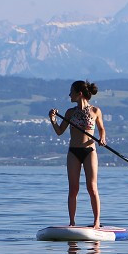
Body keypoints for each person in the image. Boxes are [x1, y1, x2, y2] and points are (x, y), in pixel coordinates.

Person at [49, 80, 106, 228]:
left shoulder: (95, 111)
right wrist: (53, 120)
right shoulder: (70, 112)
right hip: (73, 152)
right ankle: (72, 223)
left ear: (79, 94)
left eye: (71, 92)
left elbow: (101, 129)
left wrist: (102, 138)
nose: (69, 95)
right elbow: (59, 132)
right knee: (73, 188)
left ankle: (96, 222)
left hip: (89, 151)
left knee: (92, 187)